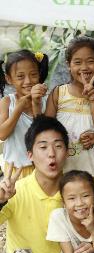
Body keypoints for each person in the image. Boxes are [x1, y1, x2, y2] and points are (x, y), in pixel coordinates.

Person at [36, 36, 94, 206]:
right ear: (68, 65)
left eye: (90, 61)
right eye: (77, 62)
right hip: (64, 169)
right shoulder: (58, 93)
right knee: (64, 215)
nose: (84, 67)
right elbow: (46, 128)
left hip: (93, 169)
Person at [0, 115, 69, 253]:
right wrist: (1, 201)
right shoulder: (15, 191)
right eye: (43, 147)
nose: (51, 154)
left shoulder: (78, 193)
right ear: (30, 155)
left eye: (58, 146)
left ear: (67, 153)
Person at [0, 49, 48, 178]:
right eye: (20, 76)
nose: (28, 81)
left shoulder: (45, 101)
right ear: (9, 79)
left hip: (41, 168)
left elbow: (45, 132)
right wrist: (18, 109)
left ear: (39, 74)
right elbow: (2, 134)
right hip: (14, 170)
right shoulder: (7, 102)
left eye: (33, 74)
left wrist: (36, 104)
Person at [47, 170, 94, 253]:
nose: (79, 203)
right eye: (71, 198)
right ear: (63, 202)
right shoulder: (59, 217)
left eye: (85, 196)